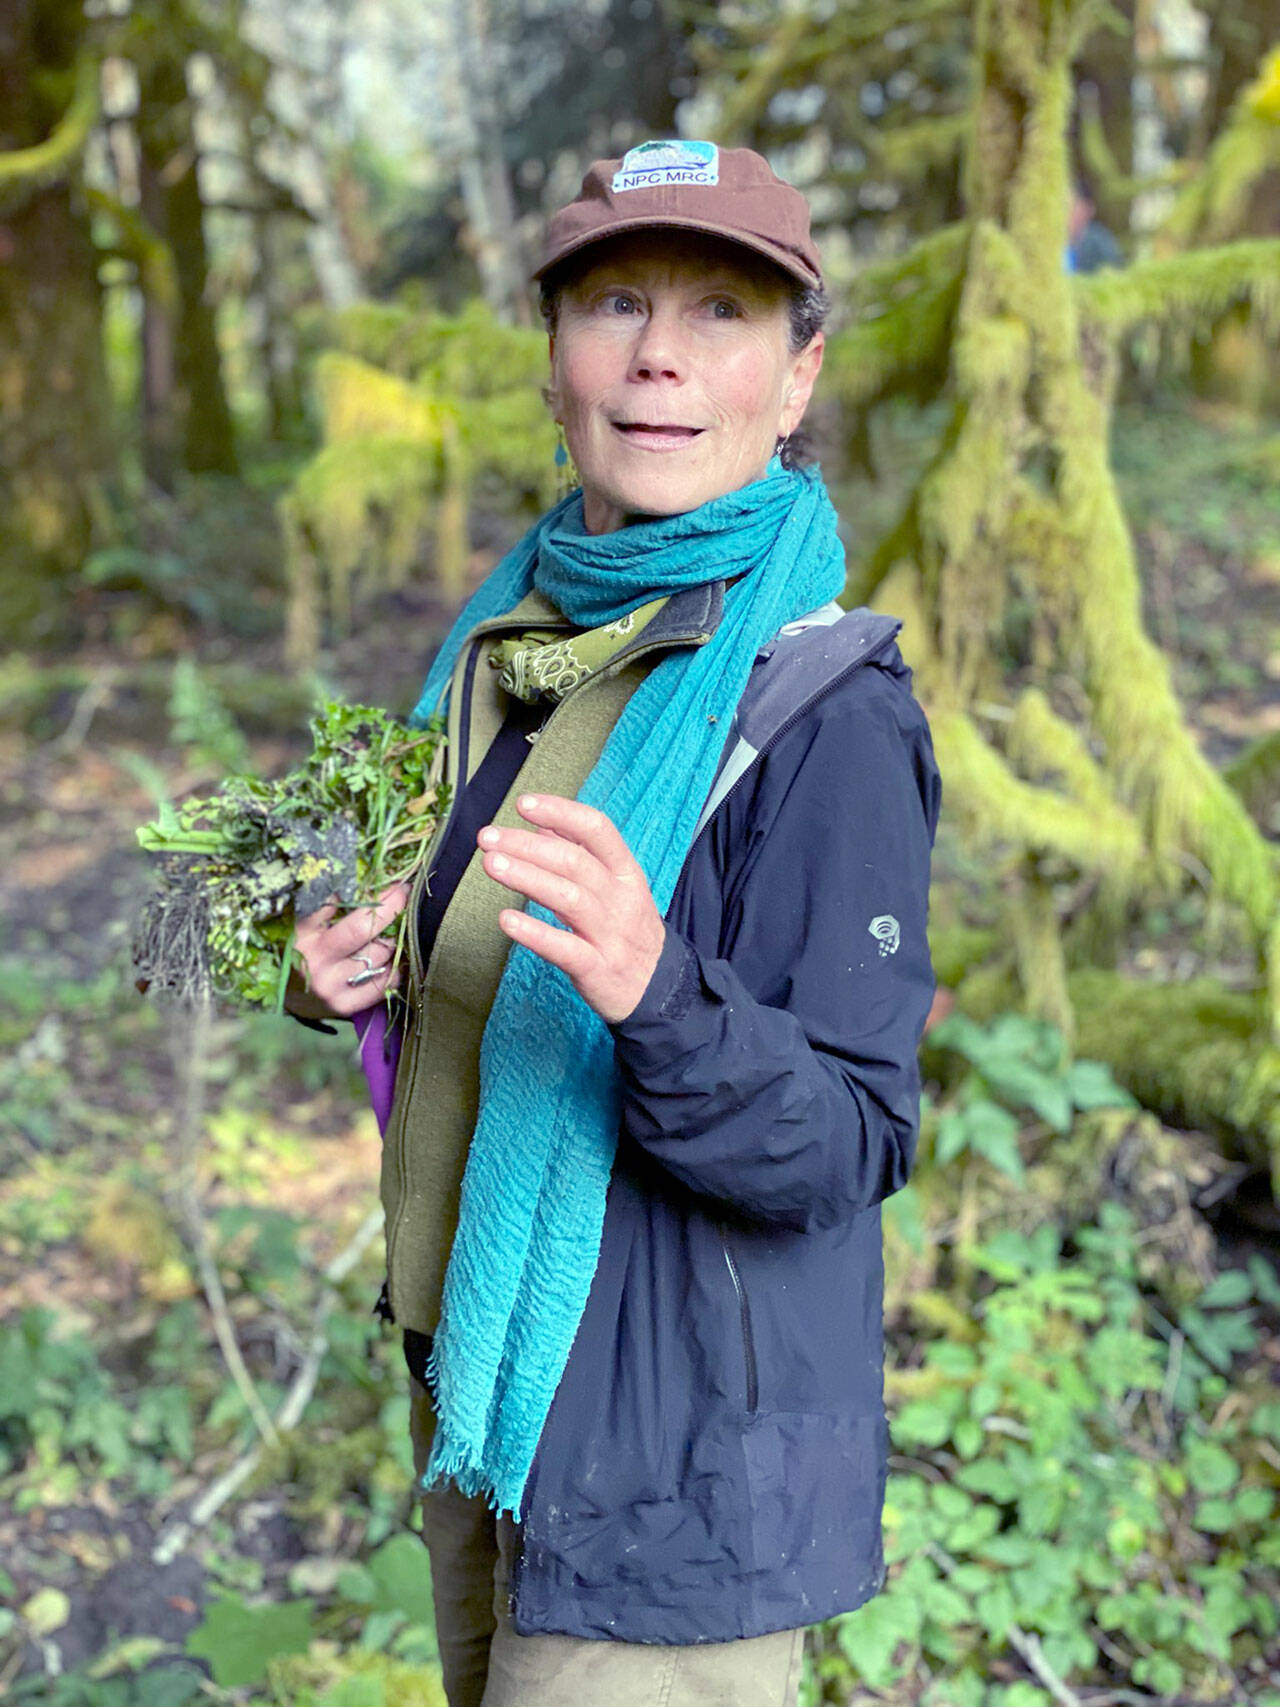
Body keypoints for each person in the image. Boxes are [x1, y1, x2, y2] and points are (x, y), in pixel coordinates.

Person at [291, 141, 940, 1707]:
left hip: (672, 1468)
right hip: (488, 1385)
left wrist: (658, 995)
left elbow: (851, 1139)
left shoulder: (822, 712)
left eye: (724, 310)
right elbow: (456, 973)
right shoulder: (515, 641)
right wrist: (337, 982)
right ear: (556, 364)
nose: (659, 350)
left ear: (798, 381)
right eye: (613, 302)